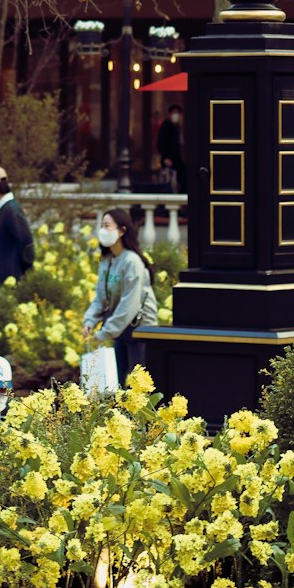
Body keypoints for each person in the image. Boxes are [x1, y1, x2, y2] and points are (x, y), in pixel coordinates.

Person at [82, 206, 159, 387]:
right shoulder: (107, 260)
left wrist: (104, 333)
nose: (102, 230)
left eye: (107, 225)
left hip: (140, 330)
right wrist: (90, 321)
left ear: (122, 230)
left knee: (137, 386)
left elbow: (129, 304)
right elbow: (101, 296)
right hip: (121, 329)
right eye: (102, 225)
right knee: (118, 381)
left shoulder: (132, 261)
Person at [0, 166, 35, 283]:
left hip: (12, 276)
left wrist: (26, 274)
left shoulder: (11, 211)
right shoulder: (5, 210)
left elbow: (26, 242)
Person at [155, 106, 186, 192]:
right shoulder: (166, 126)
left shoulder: (179, 127)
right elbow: (160, 143)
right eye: (174, 113)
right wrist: (165, 157)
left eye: (177, 113)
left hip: (178, 159)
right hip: (169, 159)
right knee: (168, 181)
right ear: (169, 114)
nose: (175, 115)